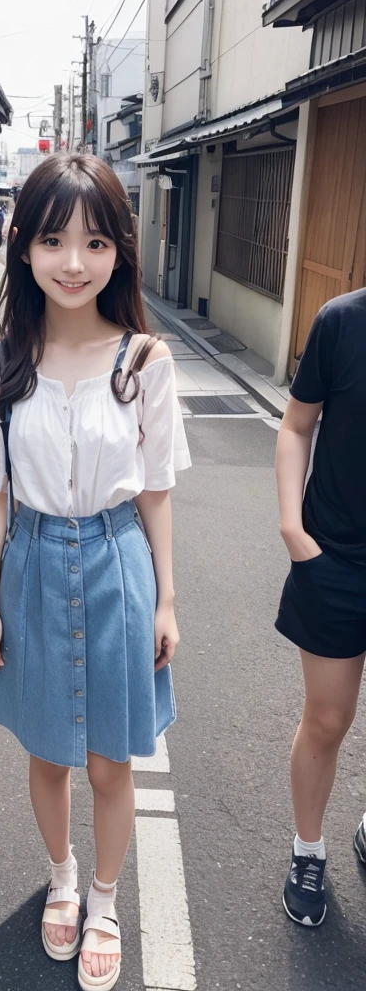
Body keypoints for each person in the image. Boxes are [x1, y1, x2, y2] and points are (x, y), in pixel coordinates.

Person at [0, 153, 191, 988]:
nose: (74, 263)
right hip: (34, 561)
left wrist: (166, 598)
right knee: (50, 752)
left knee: (110, 759)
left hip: (119, 557)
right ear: (23, 248)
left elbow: (155, 494)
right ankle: (60, 879)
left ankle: (106, 897)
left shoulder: (145, 362)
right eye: (54, 241)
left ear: (120, 249)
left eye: (94, 242)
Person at [275, 288, 366, 927]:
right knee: (328, 719)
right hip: (335, 556)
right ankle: (309, 849)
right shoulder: (342, 321)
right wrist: (293, 531)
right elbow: (296, 426)